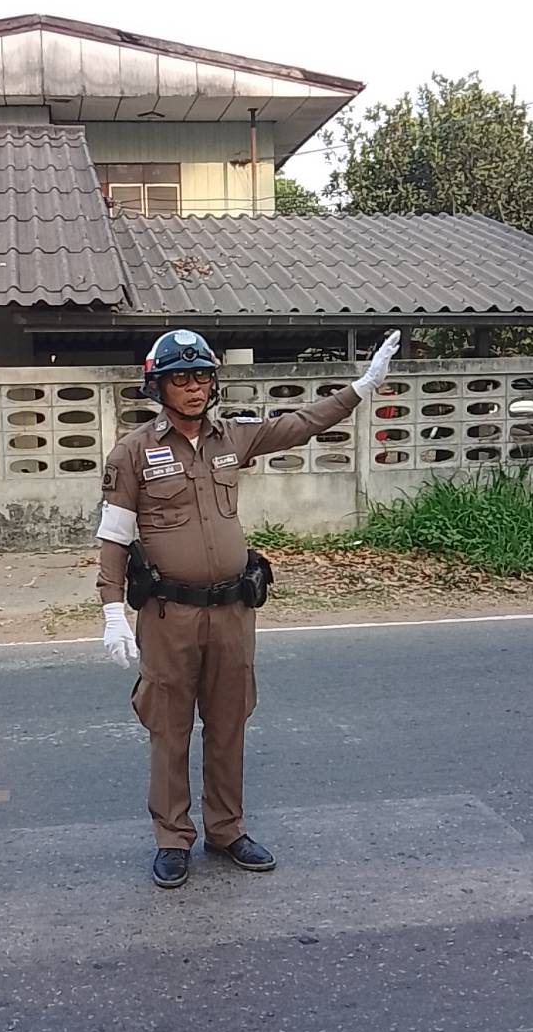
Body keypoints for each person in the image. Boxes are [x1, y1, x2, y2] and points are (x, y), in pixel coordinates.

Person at [96, 327, 401, 889]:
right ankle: (172, 837)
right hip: (169, 616)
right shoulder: (133, 452)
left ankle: (226, 829)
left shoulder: (233, 437)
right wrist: (113, 610)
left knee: (229, 723)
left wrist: (361, 387)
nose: (194, 387)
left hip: (233, 611)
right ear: (157, 387)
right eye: (181, 379)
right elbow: (114, 536)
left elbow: (302, 423)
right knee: (169, 728)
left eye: (202, 376)